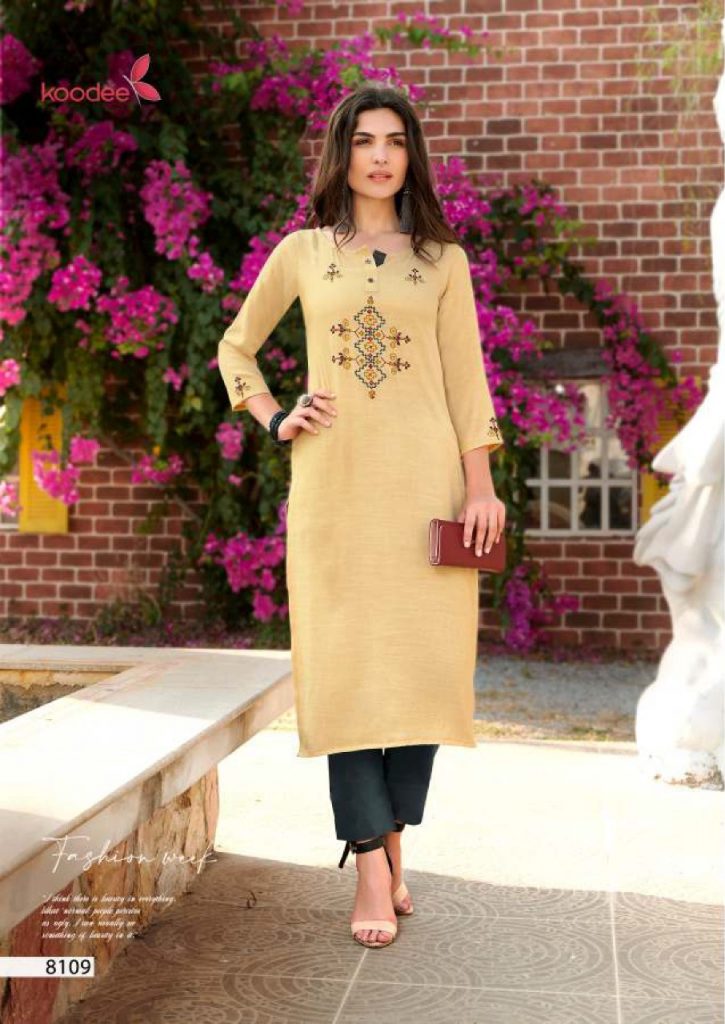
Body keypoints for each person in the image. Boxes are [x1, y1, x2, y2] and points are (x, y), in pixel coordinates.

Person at [217, 82, 506, 949]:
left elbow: (466, 382)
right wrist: (275, 416)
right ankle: (371, 866)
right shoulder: (303, 252)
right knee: (343, 675)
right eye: (363, 141)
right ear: (340, 155)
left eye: (394, 141)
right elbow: (236, 346)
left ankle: (391, 839)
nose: (379, 156)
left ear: (411, 156)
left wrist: (480, 487)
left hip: (426, 490)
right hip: (334, 492)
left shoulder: (442, 261)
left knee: (422, 675)